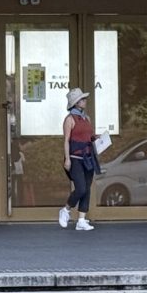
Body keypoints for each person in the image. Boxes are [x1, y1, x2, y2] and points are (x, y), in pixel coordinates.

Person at [58, 87, 99, 232]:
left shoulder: (87, 118)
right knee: (80, 188)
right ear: (75, 103)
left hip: (88, 157)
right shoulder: (69, 119)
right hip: (75, 158)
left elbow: (89, 137)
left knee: (87, 188)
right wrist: (67, 159)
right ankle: (66, 209)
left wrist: (97, 138)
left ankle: (81, 220)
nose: (85, 101)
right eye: (82, 99)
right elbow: (66, 141)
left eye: (84, 98)